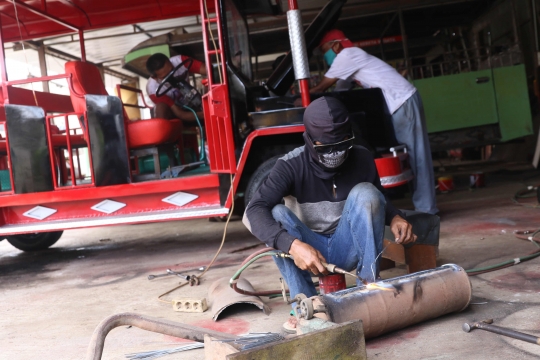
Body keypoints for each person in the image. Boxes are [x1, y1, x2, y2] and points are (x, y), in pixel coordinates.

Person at [243, 96, 416, 329]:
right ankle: (303, 303)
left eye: (342, 144)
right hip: (308, 252)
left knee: (368, 193)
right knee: (275, 213)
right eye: (326, 147)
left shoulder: (362, 157)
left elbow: (379, 197)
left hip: (348, 246)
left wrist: (395, 216)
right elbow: (253, 210)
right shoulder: (290, 166)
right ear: (310, 140)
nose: (335, 153)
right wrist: (293, 245)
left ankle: (368, 288)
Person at [310, 29, 438, 215]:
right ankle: (423, 206)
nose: (325, 56)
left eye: (324, 51)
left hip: (402, 100)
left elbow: (323, 86)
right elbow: (340, 90)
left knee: (417, 155)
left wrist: (302, 96)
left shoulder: (348, 54)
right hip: (399, 102)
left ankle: (427, 210)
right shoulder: (350, 63)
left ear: (336, 45)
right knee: (411, 155)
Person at [145, 53, 207, 124]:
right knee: (160, 108)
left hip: (192, 103)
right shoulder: (153, 90)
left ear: (170, 62)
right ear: (154, 77)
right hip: (176, 112)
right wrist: (205, 114)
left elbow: (207, 70)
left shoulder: (180, 61)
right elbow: (180, 114)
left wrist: (207, 100)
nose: (172, 76)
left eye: (172, 70)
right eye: (166, 77)